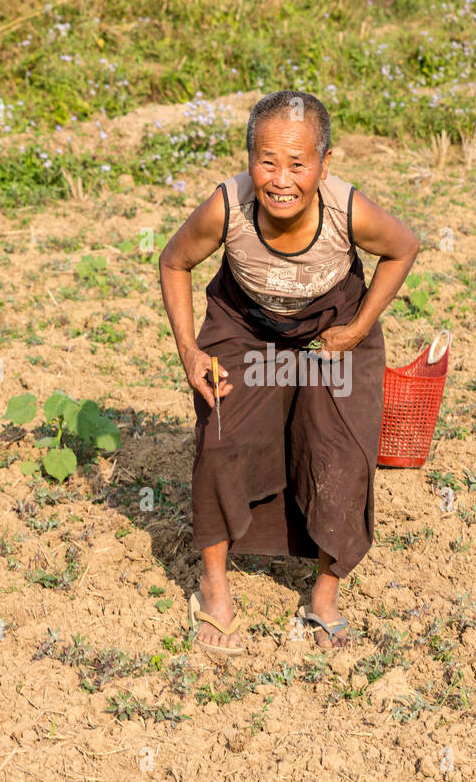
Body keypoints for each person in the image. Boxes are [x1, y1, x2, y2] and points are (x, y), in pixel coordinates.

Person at [158, 90, 419, 660]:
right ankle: (215, 588)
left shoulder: (349, 210)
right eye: (267, 160)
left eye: (298, 163)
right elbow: (174, 261)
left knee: (341, 451)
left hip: (332, 330)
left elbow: (403, 248)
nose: (281, 178)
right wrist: (188, 350)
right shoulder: (227, 206)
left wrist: (357, 329)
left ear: (325, 165)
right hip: (245, 328)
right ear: (249, 158)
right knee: (223, 434)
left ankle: (323, 599)